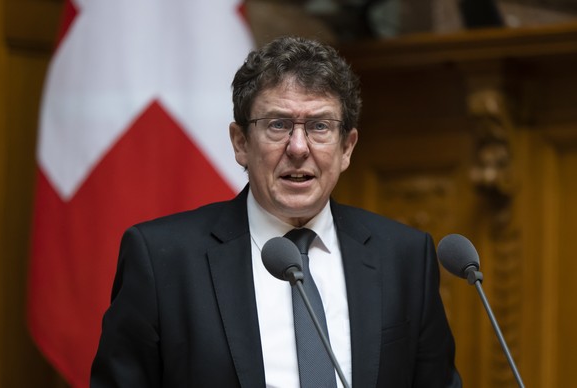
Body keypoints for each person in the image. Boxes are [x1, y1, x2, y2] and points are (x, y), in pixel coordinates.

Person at [91, 35, 461, 387]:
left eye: (319, 126)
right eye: (278, 125)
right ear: (240, 143)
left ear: (347, 148)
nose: (298, 147)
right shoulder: (162, 259)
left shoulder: (404, 257)